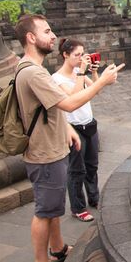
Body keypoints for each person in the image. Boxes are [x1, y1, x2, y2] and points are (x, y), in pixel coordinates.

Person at [14, 14, 124, 262]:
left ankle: (58, 248)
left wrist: (67, 129)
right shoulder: (33, 73)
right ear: (31, 37)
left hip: (51, 147)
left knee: (53, 208)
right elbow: (68, 104)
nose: (53, 36)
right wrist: (100, 81)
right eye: (47, 31)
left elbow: (49, 110)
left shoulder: (30, 69)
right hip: (44, 153)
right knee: (44, 210)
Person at [52, 39, 100, 222]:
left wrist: (94, 72)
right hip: (74, 128)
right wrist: (81, 72)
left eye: (82, 54)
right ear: (65, 55)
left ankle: (94, 198)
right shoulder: (57, 79)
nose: (81, 58)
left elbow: (96, 90)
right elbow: (74, 97)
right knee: (76, 170)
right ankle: (78, 207)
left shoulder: (78, 72)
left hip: (90, 123)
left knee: (92, 165)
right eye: (77, 55)